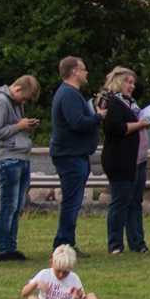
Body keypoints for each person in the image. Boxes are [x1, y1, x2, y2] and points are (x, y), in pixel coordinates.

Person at [49, 56, 101, 252]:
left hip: (76, 154)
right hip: (69, 155)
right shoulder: (69, 94)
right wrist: (97, 117)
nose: (86, 73)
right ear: (74, 72)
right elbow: (77, 122)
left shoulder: (71, 93)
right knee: (71, 201)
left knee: (74, 201)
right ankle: (63, 243)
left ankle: (67, 241)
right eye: (84, 69)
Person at [99, 66, 150, 255]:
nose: (131, 86)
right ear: (118, 82)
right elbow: (116, 128)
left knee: (135, 201)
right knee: (120, 201)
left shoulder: (131, 103)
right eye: (128, 82)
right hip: (120, 160)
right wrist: (140, 124)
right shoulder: (112, 103)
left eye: (133, 83)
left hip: (138, 159)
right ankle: (115, 244)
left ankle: (137, 242)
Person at [0, 75, 39, 262]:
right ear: (16, 89)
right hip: (8, 158)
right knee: (8, 205)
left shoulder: (16, 103)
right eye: (24, 98)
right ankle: (4, 248)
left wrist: (25, 127)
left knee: (17, 205)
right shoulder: (1, 102)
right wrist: (19, 126)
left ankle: (11, 245)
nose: (23, 102)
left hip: (21, 156)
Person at [18, 245, 124, 299]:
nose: (61, 275)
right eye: (58, 271)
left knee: (90, 296)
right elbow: (24, 293)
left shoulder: (74, 278)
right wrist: (35, 284)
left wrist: (77, 297)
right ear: (51, 263)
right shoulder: (44, 274)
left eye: (65, 273)